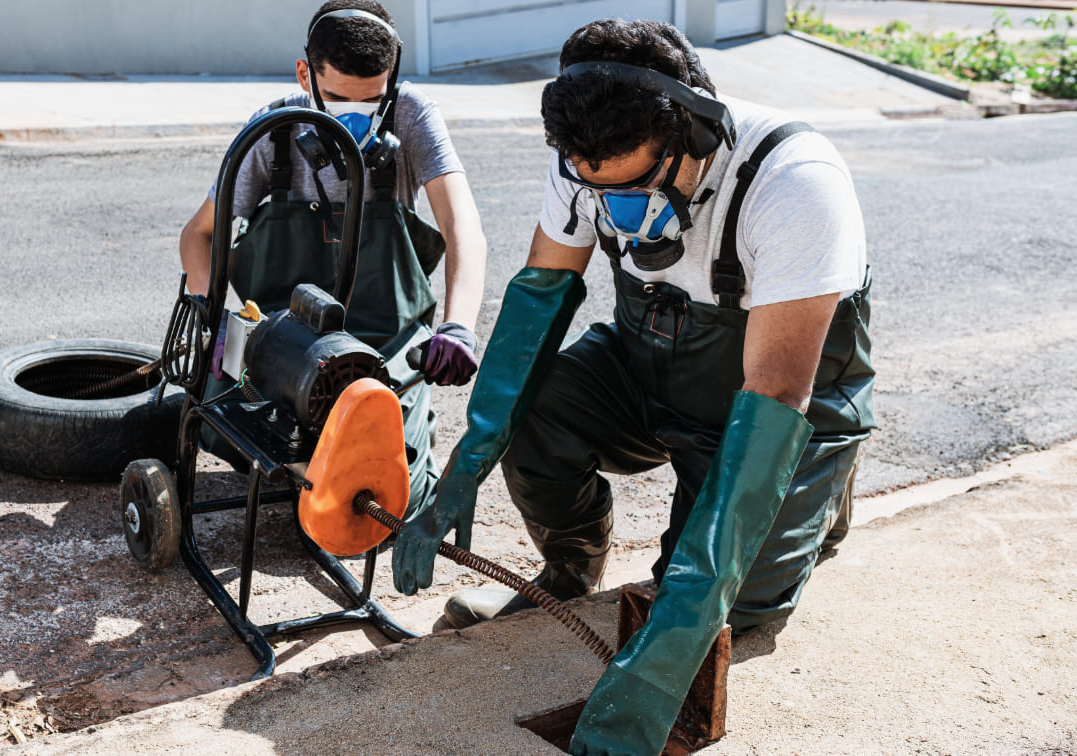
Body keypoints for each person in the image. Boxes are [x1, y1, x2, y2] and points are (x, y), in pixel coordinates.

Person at [390, 18, 874, 755]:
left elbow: (774, 395)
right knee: (532, 412)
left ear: (693, 135)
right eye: (596, 187)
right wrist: (466, 464)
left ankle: (820, 487)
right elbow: (538, 302)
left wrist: (662, 662)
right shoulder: (586, 159)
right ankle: (570, 565)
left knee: (724, 607)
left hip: (769, 406)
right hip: (649, 365)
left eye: (638, 187)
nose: (616, 212)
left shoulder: (792, 182)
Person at [177, 0, 487, 513]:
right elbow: (199, 234)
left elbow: (464, 229)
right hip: (284, 343)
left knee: (387, 499)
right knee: (226, 430)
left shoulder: (411, 113)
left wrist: (459, 327)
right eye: (338, 98)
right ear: (306, 75)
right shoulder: (272, 130)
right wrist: (212, 320)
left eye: (371, 102)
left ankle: (404, 427)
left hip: (380, 344)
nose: (355, 117)